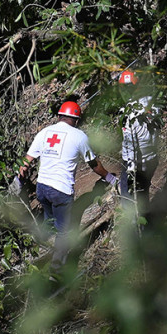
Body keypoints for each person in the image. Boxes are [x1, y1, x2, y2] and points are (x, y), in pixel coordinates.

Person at [18, 100, 117, 265]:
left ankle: (39, 251)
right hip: (61, 191)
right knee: (64, 231)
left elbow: (26, 161)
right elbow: (93, 164)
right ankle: (56, 271)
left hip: (42, 189)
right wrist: (110, 178)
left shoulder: (45, 132)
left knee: (50, 220)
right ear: (76, 120)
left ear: (59, 116)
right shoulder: (79, 136)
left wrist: (18, 181)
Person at [116, 69, 161, 214]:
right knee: (143, 193)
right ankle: (146, 224)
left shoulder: (127, 113)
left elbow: (130, 146)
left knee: (129, 198)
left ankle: (135, 230)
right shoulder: (151, 103)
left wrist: (130, 172)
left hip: (136, 162)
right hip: (152, 158)